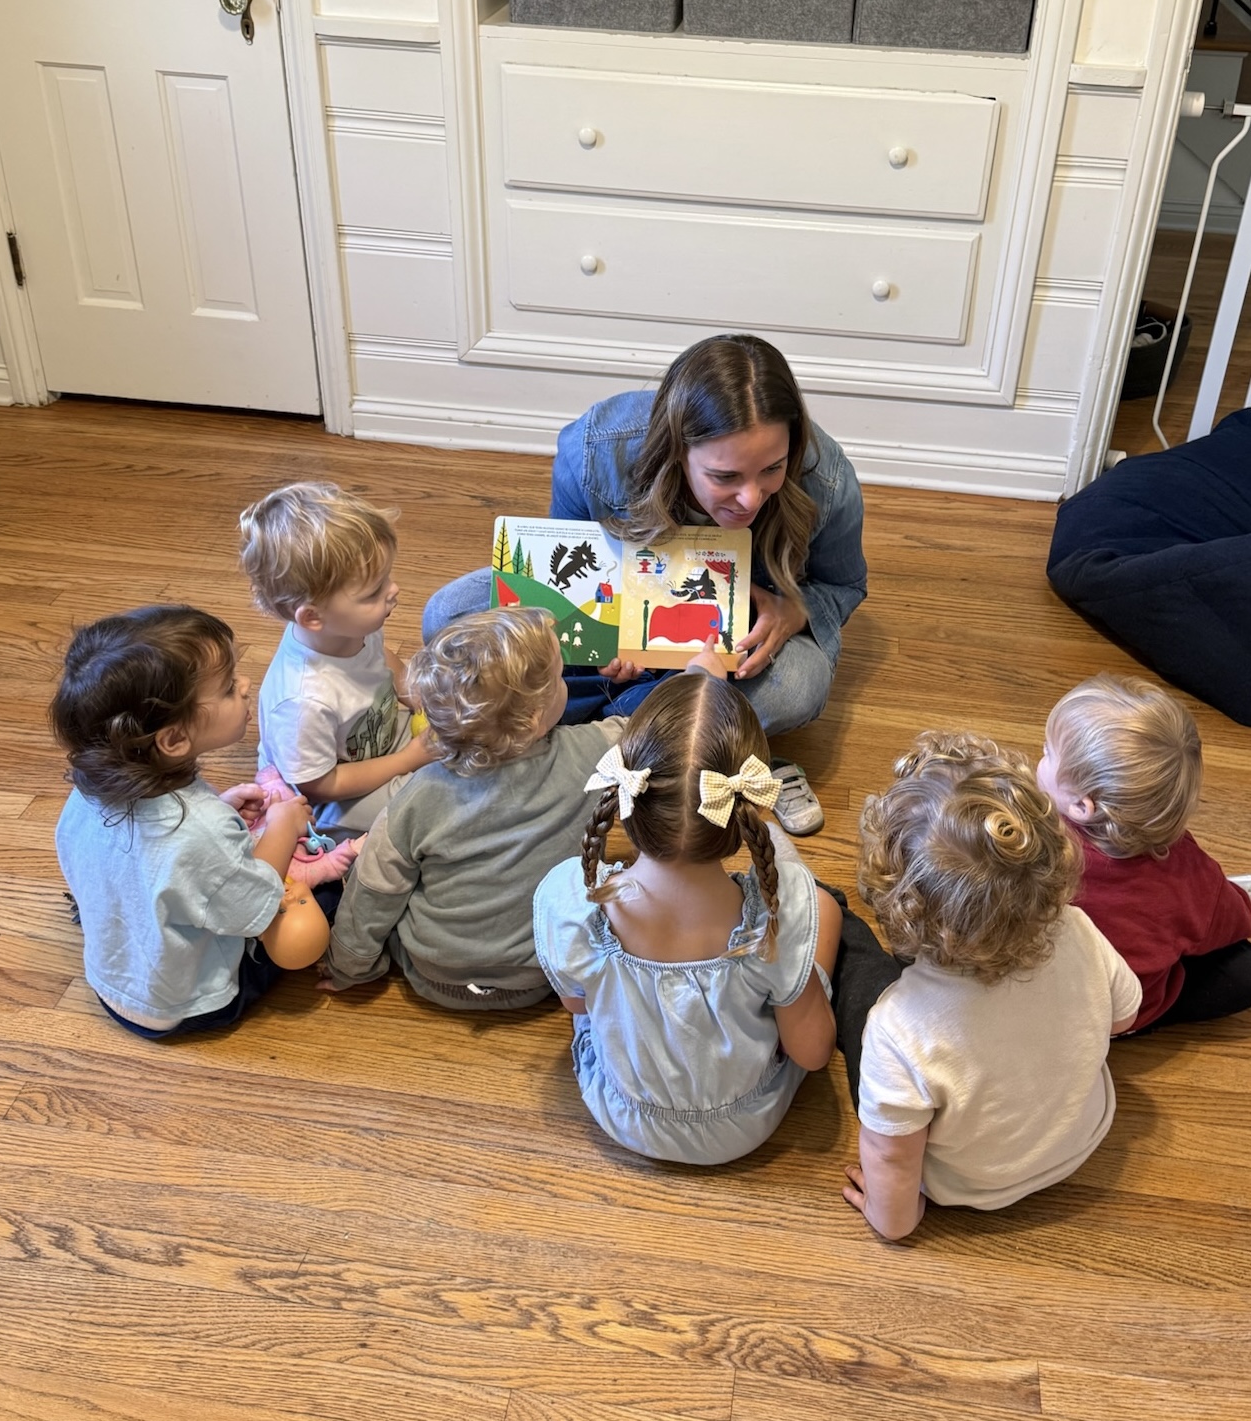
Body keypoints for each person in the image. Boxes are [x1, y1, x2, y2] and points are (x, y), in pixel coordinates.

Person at [423, 333, 867, 836]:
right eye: (724, 476)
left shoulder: (828, 480)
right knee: (449, 615)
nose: (750, 498)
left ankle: (583, 739)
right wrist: (598, 648)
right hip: (618, 614)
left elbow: (844, 585)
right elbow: (563, 579)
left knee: (797, 686)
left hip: (730, 637)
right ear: (678, 451)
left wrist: (794, 609)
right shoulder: (596, 450)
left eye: (772, 469)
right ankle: (683, 737)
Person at [841, 730, 1141, 1241]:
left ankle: (840, 916)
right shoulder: (1077, 928)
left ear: (903, 910)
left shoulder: (897, 1028)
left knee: (858, 970)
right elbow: (1123, 1017)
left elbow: (891, 1156)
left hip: (973, 1185)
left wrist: (892, 1217)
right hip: (1081, 1137)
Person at [532, 671, 843, 1164]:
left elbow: (576, 1005)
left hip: (622, 1115)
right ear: (747, 806)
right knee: (824, 907)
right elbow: (812, 1053)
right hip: (743, 1125)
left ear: (627, 801)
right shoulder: (776, 916)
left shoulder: (574, 901)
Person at [50, 605, 348, 1037]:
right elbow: (253, 909)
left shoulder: (87, 793)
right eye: (227, 688)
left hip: (110, 984)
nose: (245, 686)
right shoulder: (200, 830)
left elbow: (152, 854)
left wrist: (219, 807)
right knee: (329, 895)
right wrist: (284, 826)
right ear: (173, 739)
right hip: (187, 1006)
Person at [320, 607, 625, 1009]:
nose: (564, 682)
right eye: (558, 677)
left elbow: (374, 890)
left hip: (433, 973)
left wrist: (350, 966)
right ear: (535, 719)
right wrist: (697, 675)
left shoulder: (418, 795)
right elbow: (653, 731)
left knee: (375, 871)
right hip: (542, 976)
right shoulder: (590, 752)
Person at [1038, 675, 1251, 1031]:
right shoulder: (1189, 875)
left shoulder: (1028, 837)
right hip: (1115, 1016)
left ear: (1081, 805)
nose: (1039, 755)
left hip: (1041, 1005)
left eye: (1047, 752)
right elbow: (1236, 919)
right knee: (1241, 969)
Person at [240, 482, 437, 837]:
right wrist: (407, 760)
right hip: (329, 793)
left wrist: (417, 694)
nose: (393, 590)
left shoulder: (349, 627)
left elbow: (381, 658)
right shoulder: (302, 701)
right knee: (425, 804)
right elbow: (320, 785)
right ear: (313, 617)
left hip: (374, 737)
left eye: (387, 578)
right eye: (373, 592)